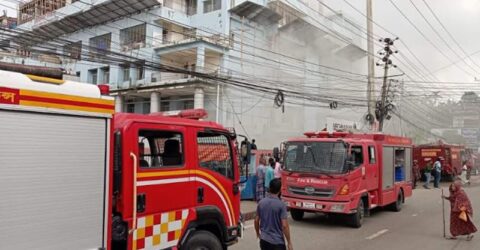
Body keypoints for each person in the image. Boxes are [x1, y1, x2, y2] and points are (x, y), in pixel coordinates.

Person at [255, 178, 293, 250]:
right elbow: (284, 226)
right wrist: (289, 242)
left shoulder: (261, 202)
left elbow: (256, 220)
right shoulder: (281, 205)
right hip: (277, 242)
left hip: (264, 240)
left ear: (269, 188)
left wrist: (258, 234)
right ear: (280, 190)